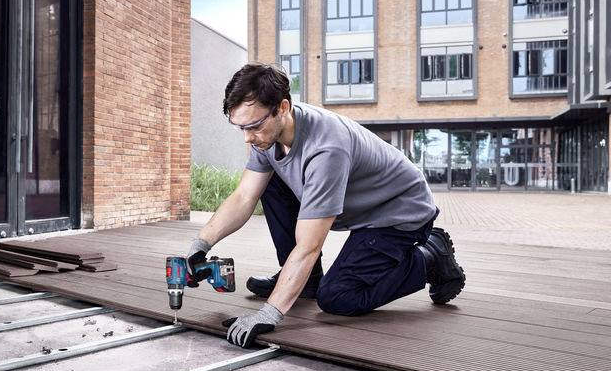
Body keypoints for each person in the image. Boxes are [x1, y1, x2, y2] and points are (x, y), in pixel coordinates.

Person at [186, 63, 466, 348]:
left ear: (282, 107)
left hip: (397, 213)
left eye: (254, 125)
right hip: (361, 207)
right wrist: (201, 245)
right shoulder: (268, 137)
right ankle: (301, 281)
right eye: (241, 127)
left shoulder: (325, 149)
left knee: (338, 297)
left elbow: (309, 246)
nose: (247, 137)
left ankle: (431, 255)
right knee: (269, 183)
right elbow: (244, 196)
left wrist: (269, 313)